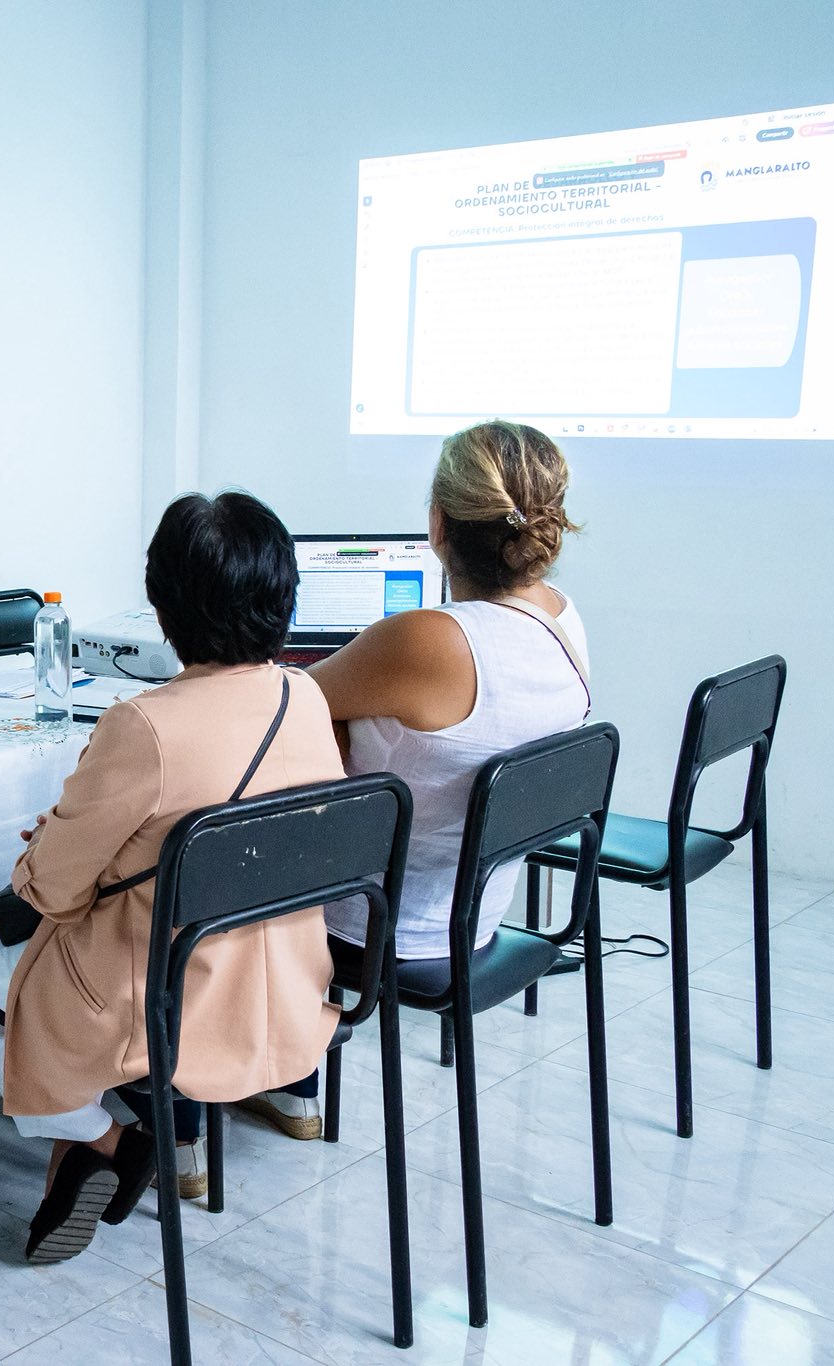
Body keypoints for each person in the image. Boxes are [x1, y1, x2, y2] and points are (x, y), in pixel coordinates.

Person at [0, 492, 344, 1264]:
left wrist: (59, 844)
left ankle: (102, 1136)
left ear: (163, 606)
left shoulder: (143, 724)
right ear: (285, 594)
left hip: (164, 997)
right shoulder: (307, 697)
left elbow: (49, 892)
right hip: (281, 978)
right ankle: (92, 1145)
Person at [239, 421, 589, 1138]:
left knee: (191, 857)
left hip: (381, 926)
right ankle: (282, 1076)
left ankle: (210, 1102)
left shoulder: (431, 638)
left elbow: (285, 701)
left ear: (438, 524)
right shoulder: (560, 618)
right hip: (472, 913)